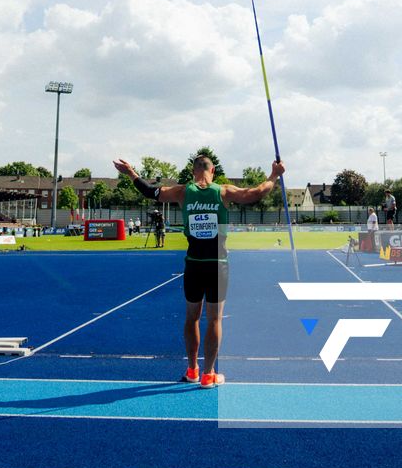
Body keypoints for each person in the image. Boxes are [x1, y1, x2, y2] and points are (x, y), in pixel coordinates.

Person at [115, 154, 285, 388]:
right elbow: (256, 193)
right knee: (214, 319)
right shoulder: (223, 191)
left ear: (193, 171)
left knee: (191, 318)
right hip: (218, 264)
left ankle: (192, 369)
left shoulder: (182, 192)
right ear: (212, 170)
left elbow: (150, 191)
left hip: (194, 263)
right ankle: (208, 375)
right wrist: (274, 175)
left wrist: (131, 172)